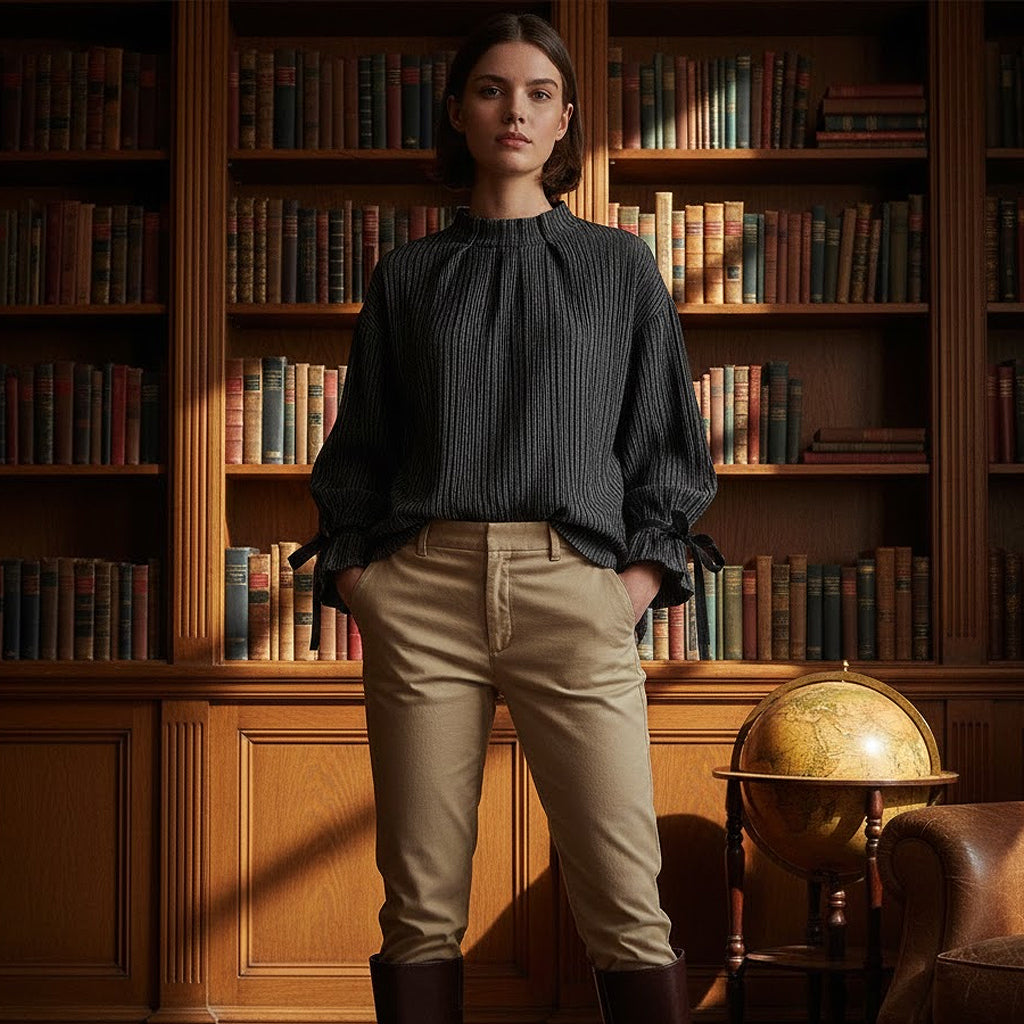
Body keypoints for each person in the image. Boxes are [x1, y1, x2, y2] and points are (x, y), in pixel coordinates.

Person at [290, 11, 720, 1024]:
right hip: (422, 591)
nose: (513, 110)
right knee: (419, 906)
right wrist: (364, 581)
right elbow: (357, 454)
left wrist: (632, 588)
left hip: (574, 588)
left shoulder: (621, 270)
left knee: (625, 905)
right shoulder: (408, 277)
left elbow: (666, 450)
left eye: (536, 93)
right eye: (490, 89)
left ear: (566, 118)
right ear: (458, 111)